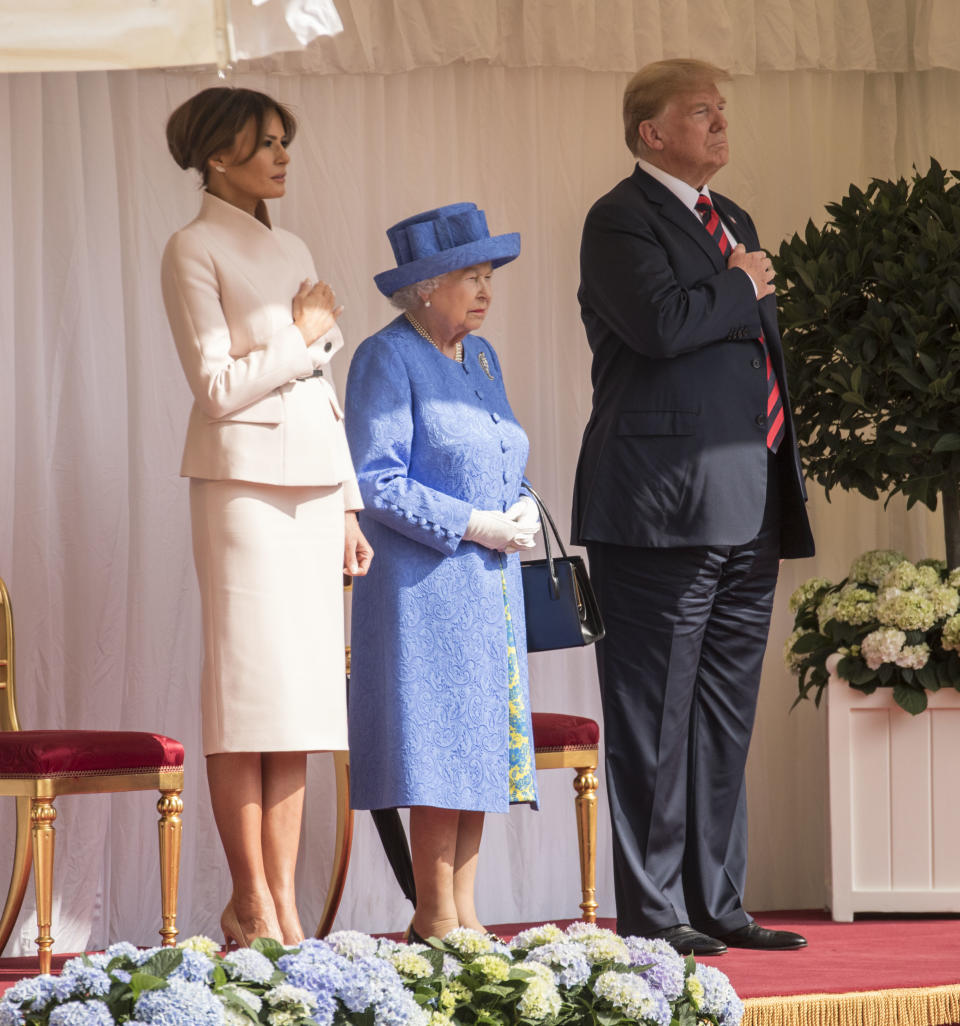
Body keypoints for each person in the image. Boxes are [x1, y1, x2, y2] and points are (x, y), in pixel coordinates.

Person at [571, 59, 814, 955]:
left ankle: (718, 901)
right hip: (658, 508)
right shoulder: (618, 219)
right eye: (701, 112)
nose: (720, 125)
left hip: (748, 498)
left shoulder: (733, 219)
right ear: (651, 132)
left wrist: (739, 281)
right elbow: (664, 327)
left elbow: (750, 356)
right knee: (652, 716)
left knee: (721, 715)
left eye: (723, 111)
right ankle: (655, 910)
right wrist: (742, 283)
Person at [161, 86, 372, 948]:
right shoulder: (191, 248)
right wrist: (304, 332)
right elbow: (216, 390)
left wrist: (351, 504)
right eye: (266, 143)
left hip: (317, 489)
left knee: (304, 706)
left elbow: (316, 383)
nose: (283, 156)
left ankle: (281, 905)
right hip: (242, 488)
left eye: (286, 141)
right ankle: (250, 901)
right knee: (247, 699)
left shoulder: (293, 244)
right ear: (218, 156)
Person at [344, 203, 540, 942]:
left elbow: (500, 453)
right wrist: (471, 523)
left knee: (481, 742)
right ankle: (434, 913)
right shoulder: (385, 358)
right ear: (425, 287)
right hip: (423, 590)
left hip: (489, 585)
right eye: (471, 278)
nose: (486, 292)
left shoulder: (481, 360)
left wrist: (516, 507)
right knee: (437, 743)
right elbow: (376, 479)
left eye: (490, 277)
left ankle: (464, 912)